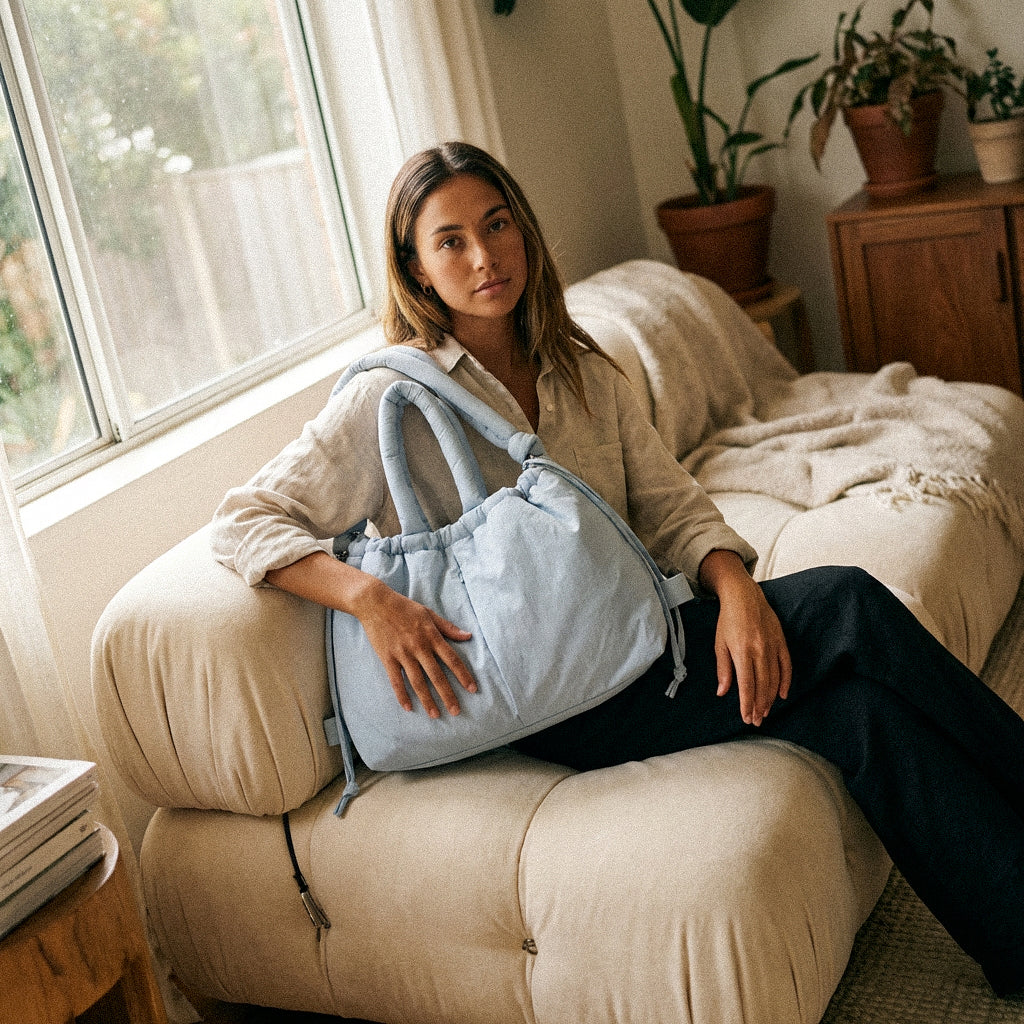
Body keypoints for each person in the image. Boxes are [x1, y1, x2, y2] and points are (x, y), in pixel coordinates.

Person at [211, 141, 1024, 998]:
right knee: (850, 603)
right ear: (413, 267)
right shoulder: (390, 398)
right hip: (549, 689)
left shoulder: (576, 365)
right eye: (450, 241)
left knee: (858, 715)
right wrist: (370, 599)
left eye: (497, 225)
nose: (485, 257)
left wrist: (738, 589)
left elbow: (671, 504)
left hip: (644, 640)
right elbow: (244, 520)